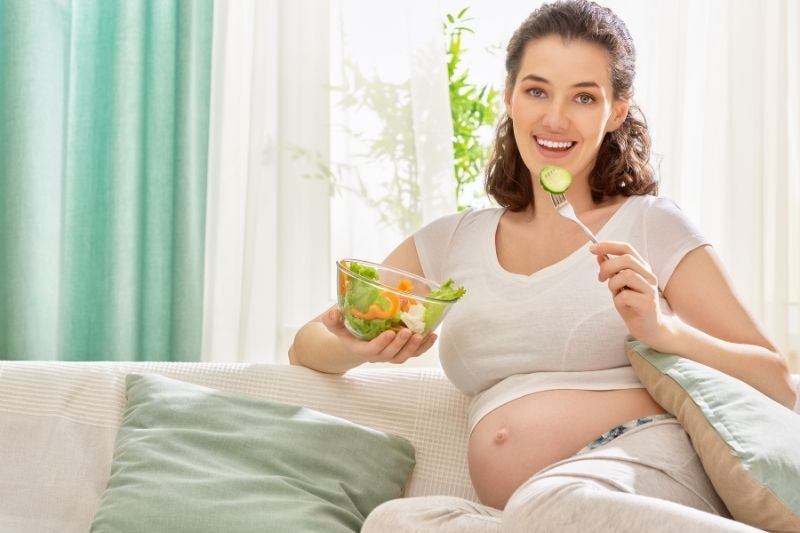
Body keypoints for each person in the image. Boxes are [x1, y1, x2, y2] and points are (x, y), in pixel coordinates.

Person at [289, 0, 797, 531]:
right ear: (509, 98)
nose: (556, 118)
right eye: (537, 91)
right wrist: (353, 344)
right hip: (530, 510)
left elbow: (778, 385)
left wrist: (666, 330)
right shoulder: (450, 242)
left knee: (548, 504)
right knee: (394, 522)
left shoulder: (651, 225)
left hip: (642, 467)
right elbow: (307, 347)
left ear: (616, 111)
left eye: (584, 96)